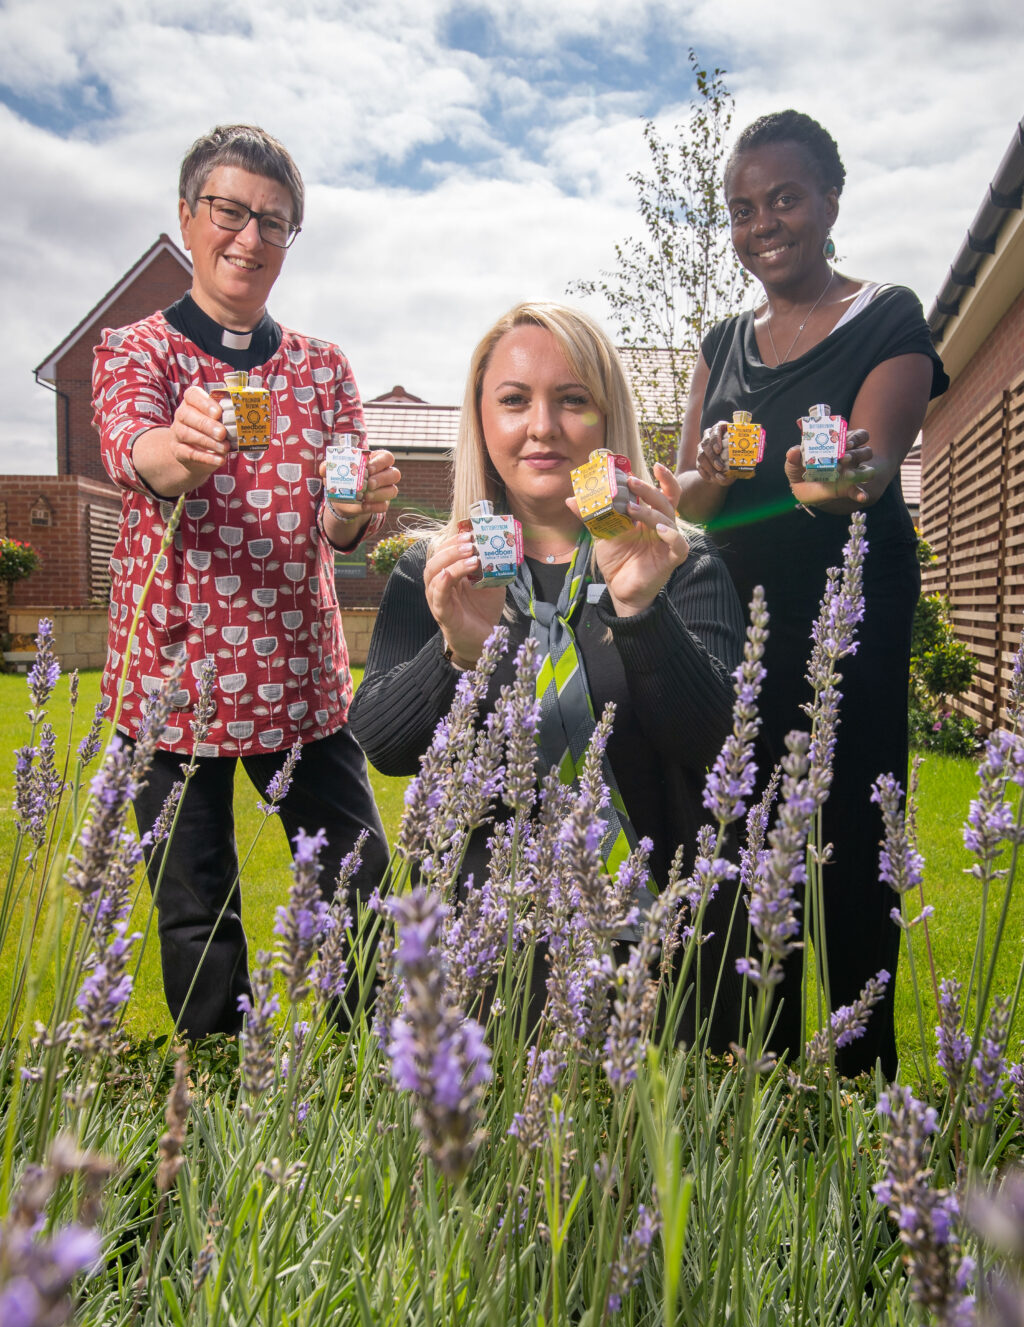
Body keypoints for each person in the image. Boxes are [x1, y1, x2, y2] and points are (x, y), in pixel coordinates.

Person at [349, 300, 747, 1042]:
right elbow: (383, 744)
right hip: (483, 957)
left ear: (607, 419)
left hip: (662, 951)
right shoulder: (432, 572)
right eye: (514, 400)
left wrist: (640, 612)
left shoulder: (678, 561)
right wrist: (458, 657)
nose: (542, 426)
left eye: (573, 400)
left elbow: (722, 747)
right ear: (481, 420)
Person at [92, 124, 399, 1038]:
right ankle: (217, 1096)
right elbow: (134, 453)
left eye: (274, 221)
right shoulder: (134, 352)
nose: (250, 237)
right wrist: (177, 453)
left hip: (297, 682)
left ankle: (365, 1071)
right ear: (189, 218)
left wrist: (354, 511)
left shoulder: (320, 366)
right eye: (230, 211)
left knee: (360, 874)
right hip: (171, 681)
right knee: (197, 912)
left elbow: (336, 522)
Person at [676, 110, 949, 1077]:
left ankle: (861, 1068)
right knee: (743, 833)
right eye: (743, 209)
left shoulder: (889, 314)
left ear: (831, 200)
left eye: (783, 198)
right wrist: (710, 465)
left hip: (849, 616)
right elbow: (689, 503)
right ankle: (760, 1065)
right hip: (733, 625)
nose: (763, 224)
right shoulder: (720, 341)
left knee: (850, 832)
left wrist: (832, 476)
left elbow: (868, 471)